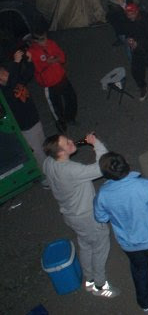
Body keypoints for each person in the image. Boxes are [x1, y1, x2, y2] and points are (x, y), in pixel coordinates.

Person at [94, 153, 148, 312]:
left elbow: (101, 217)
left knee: (140, 271)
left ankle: (146, 304)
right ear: (127, 163)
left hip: (129, 244)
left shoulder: (103, 194)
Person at [42, 132, 120, 297]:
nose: (71, 141)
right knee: (100, 246)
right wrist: (96, 143)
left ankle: (89, 279)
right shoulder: (71, 170)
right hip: (87, 217)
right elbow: (103, 166)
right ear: (61, 153)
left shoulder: (48, 162)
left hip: (70, 215)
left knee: (85, 244)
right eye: (67, 143)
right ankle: (100, 285)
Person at [0, 50, 47, 186]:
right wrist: (15, 62)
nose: (6, 72)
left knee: (44, 146)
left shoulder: (13, 80)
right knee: (37, 153)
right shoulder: (4, 91)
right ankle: (45, 178)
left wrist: (29, 61)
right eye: (2, 72)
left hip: (34, 119)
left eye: (4, 70)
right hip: (26, 126)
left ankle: (51, 170)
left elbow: (26, 75)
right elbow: (12, 81)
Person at [27, 27, 78, 133]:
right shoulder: (32, 52)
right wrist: (48, 62)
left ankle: (70, 117)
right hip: (50, 84)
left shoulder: (51, 43)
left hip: (61, 77)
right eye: (42, 39)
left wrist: (57, 59)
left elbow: (61, 55)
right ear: (35, 41)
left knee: (71, 97)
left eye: (45, 38)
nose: (45, 41)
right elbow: (36, 68)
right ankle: (61, 124)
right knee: (56, 106)